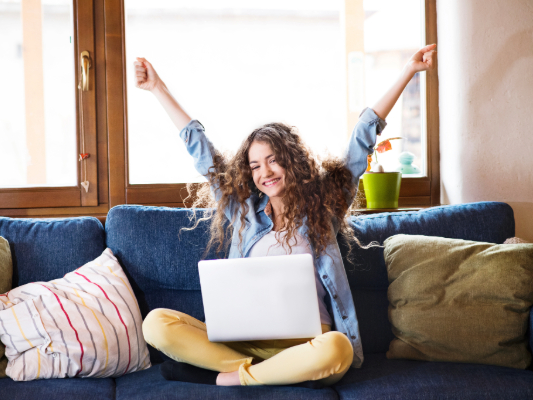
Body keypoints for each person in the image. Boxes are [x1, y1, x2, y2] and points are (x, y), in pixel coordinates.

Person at [135, 44, 436, 388]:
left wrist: (407, 72)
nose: (266, 171)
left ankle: (229, 378)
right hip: (247, 343)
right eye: (255, 165)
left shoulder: (325, 206)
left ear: (292, 158)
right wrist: (157, 88)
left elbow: (361, 139)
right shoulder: (244, 213)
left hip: (311, 343)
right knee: (156, 323)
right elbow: (201, 151)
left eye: (273, 159)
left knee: (338, 349)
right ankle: (274, 373)